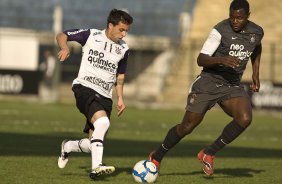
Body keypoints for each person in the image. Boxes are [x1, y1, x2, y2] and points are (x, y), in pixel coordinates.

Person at [149, 0, 263, 176]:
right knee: (186, 127)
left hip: (231, 85)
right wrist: (222, 59)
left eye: (239, 18)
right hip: (208, 82)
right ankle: (157, 156)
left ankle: (208, 153)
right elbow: (201, 59)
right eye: (232, 17)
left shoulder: (257, 32)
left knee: (245, 118)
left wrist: (255, 72)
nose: (235, 21)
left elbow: (256, 47)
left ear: (248, 16)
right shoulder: (219, 30)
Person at [56, 9, 133, 180]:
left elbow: (120, 75)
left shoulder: (124, 49)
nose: (124, 34)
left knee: (94, 144)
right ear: (110, 25)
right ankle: (97, 167)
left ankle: (68, 146)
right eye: (121, 29)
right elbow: (62, 35)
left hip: (105, 96)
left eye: (126, 31)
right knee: (103, 122)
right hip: (84, 88)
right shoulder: (91, 35)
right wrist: (64, 47)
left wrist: (120, 97)